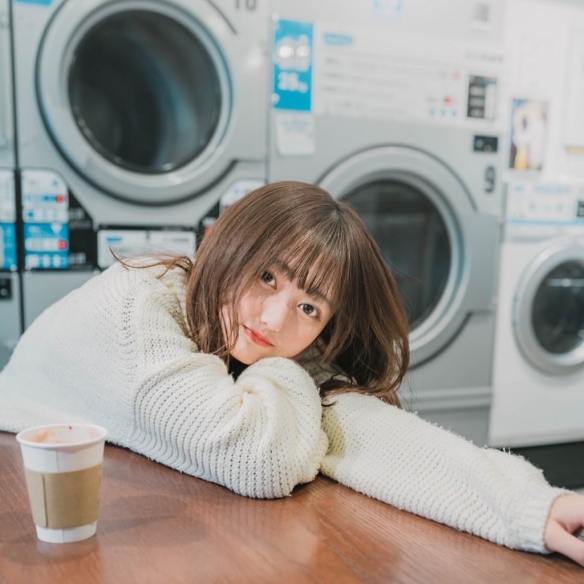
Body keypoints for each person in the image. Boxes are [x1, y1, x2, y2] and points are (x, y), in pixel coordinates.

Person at [1, 181, 584, 566]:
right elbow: (261, 457)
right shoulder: (141, 305)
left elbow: (359, 427)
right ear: (225, 245)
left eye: (311, 307)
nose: (276, 319)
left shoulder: (255, 341)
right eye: (268, 277)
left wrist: (531, 506)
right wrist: (286, 372)